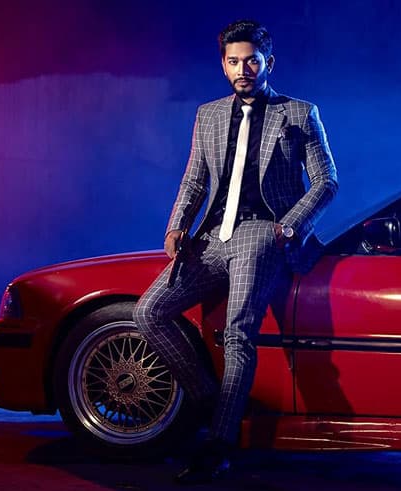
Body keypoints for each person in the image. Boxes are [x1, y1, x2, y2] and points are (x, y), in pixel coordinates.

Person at [133, 19, 337, 484]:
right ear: (223, 65)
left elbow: (327, 181)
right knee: (149, 312)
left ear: (269, 63)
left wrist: (288, 226)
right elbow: (194, 180)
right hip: (211, 236)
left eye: (251, 61)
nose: (243, 69)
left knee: (237, 335)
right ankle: (214, 402)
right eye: (233, 61)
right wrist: (177, 226)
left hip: (263, 232)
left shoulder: (299, 113)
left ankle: (219, 445)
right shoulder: (208, 115)